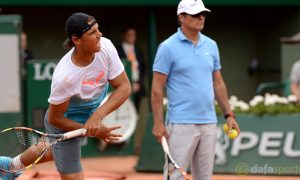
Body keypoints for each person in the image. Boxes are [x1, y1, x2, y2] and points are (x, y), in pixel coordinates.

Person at [0, 12, 131, 180]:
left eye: (98, 30)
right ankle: (10, 167)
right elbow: (55, 118)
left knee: (51, 149)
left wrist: (97, 117)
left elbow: (124, 87)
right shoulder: (65, 77)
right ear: (76, 40)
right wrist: (90, 130)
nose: (100, 35)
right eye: (92, 33)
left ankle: (10, 166)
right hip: (63, 123)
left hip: (89, 114)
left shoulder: (106, 47)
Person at [151, 0, 240, 179]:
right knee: (174, 177)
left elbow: (218, 83)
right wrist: (159, 123)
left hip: (208, 122)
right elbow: (157, 87)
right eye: (195, 14)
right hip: (180, 123)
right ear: (181, 17)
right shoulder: (167, 47)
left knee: (204, 177)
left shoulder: (211, 45)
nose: (201, 17)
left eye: (203, 14)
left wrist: (229, 115)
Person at [116, 26, 146, 112]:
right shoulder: (117, 51)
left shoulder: (138, 51)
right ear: (124, 35)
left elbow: (143, 69)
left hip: (137, 87)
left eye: (133, 35)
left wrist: (138, 83)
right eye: (129, 35)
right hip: (123, 87)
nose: (131, 37)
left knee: (136, 112)